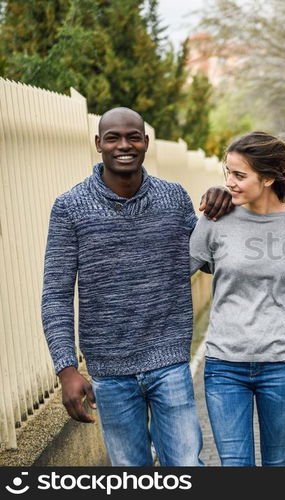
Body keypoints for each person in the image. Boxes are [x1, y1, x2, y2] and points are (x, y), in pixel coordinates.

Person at [41, 107, 209, 466]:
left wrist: (221, 208)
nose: (124, 145)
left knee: (187, 466)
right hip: (109, 370)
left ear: (145, 142)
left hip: (170, 360)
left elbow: (207, 258)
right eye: (113, 137)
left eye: (133, 136)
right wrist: (66, 369)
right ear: (98, 143)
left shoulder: (173, 198)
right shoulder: (70, 207)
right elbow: (55, 294)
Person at [190, 132, 285, 467]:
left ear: (269, 177)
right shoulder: (215, 219)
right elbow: (175, 274)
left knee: (278, 463)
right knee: (235, 465)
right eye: (227, 173)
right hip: (225, 365)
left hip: (282, 364)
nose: (230, 183)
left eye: (239, 175)